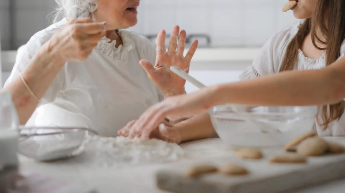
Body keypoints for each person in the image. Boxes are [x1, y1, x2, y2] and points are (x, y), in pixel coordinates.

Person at [120, 0, 345, 142]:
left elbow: (333, 83)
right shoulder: (284, 43)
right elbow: (237, 109)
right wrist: (176, 129)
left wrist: (215, 93)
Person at [1, 0, 198, 136]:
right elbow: (4, 122)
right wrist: (51, 56)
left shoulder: (142, 48)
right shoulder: (47, 43)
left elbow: (172, 129)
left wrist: (175, 93)